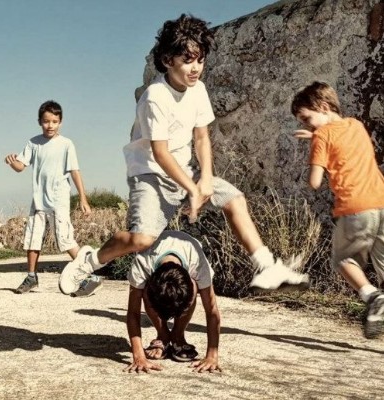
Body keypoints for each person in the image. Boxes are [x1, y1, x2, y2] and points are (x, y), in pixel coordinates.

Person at [59, 14, 309, 296]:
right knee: (142, 239)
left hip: (185, 170)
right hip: (150, 174)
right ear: (167, 60)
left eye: (200, 60)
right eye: (188, 60)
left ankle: (267, 267)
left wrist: (206, 179)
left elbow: (201, 137)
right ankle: (89, 261)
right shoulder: (155, 96)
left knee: (235, 200)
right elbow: (160, 152)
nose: (196, 68)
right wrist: (192, 189)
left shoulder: (198, 89)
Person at [291, 81, 384, 339]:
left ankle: (371, 295)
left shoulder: (322, 137)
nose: (306, 125)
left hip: (355, 206)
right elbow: (341, 141)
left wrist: (316, 146)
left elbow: (314, 182)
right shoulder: (356, 125)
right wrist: (318, 137)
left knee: (343, 260)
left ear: (322, 106)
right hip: (381, 202)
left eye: (307, 118)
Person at [5, 100, 95, 294]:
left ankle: (91, 276)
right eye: (46, 121)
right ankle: (31, 277)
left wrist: (83, 198)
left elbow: (74, 171)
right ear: (40, 121)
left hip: (58, 200)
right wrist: (12, 163)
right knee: (32, 239)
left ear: (60, 122)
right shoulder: (33, 143)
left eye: (54, 121)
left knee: (65, 240)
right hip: (39, 201)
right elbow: (21, 166)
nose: (50, 125)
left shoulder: (66, 144)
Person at [124, 230, 221, 373]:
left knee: (193, 286)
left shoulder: (198, 262)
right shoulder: (143, 262)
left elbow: (212, 310)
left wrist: (212, 356)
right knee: (143, 289)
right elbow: (133, 312)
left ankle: (177, 336)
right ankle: (163, 335)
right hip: (152, 261)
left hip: (189, 253)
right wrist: (139, 357)